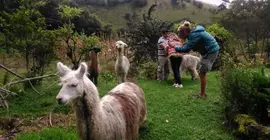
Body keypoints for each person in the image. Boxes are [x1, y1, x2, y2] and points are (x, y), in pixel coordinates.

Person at [171, 22, 220, 97]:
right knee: (201, 72)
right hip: (205, 52)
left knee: (202, 73)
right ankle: (202, 93)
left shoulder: (194, 35)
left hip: (211, 51)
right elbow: (188, 45)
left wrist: (174, 47)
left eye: (179, 33)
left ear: (184, 32)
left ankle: (202, 94)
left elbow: (186, 49)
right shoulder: (193, 34)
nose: (179, 35)